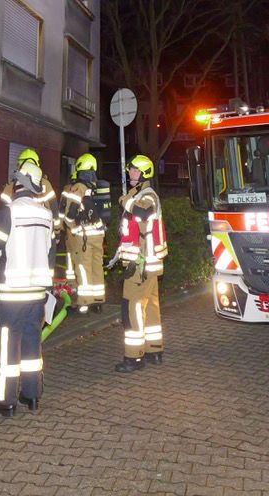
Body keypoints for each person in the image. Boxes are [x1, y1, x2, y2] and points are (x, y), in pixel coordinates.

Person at [0, 160, 55, 416]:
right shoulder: (47, 215)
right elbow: (50, 254)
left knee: (8, 347)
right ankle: (32, 396)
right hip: (37, 294)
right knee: (32, 344)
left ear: (18, 183)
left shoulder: (9, 212)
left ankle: (6, 400)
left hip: (12, 293)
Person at [113, 154, 167, 373]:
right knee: (151, 307)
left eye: (135, 170)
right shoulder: (140, 195)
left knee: (132, 308)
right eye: (130, 170)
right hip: (148, 265)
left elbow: (142, 212)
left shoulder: (147, 196)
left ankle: (134, 357)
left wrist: (125, 200)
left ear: (145, 173)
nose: (130, 173)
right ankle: (154, 350)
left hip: (140, 265)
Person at [59, 152, 107, 313]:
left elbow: (69, 214)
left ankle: (84, 304)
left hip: (84, 236)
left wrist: (73, 228)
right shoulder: (96, 186)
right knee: (97, 267)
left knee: (83, 268)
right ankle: (98, 301)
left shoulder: (78, 188)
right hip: (98, 235)